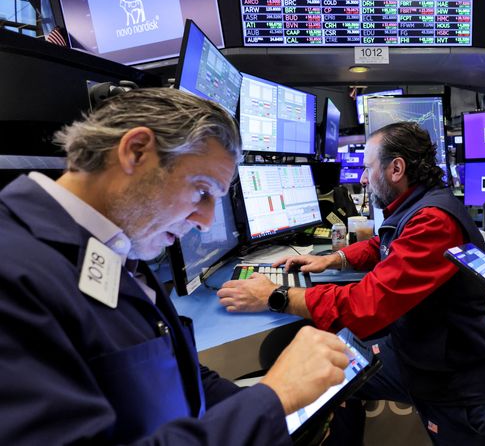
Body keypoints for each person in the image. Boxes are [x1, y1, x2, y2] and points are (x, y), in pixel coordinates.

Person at [0, 88, 351, 445]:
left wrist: (284, 413)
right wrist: (274, 397)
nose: (205, 220)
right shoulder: (12, 270)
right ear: (136, 152)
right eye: (201, 191)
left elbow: (180, 376)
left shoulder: (120, 245)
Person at [218, 122, 485, 445]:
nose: (362, 178)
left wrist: (277, 295)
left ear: (396, 168)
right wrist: (335, 259)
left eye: (367, 168)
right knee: (324, 371)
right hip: (416, 352)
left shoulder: (434, 221)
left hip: (461, 385)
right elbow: (384, 243)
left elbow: (365, 306)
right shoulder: (420, 205)